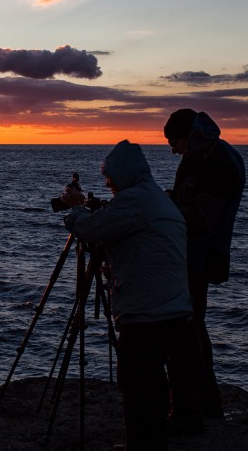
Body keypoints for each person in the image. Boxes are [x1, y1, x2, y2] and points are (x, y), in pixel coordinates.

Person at [61, 140, 192, 451]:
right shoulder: (154, 199)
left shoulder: (135, 201)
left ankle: (141, 445)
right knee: (153, 381)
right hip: (171, 307)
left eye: (110, 179)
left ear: (122, 176)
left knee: (134, 381)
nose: (109, 186)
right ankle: (153, 440)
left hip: (148, 311)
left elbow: (92, 229)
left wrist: (75, 206)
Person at [163, 109, 246, 429]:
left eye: (174, 142)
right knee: (193, 328)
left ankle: (189, 411)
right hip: (195, 253)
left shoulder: (217, 163)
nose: (172, 150)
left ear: (190, 136)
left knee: (184, 331)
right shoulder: (206, 155)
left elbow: (200, 219)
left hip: (197, 255)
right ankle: (206, 404)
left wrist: (164, 213)